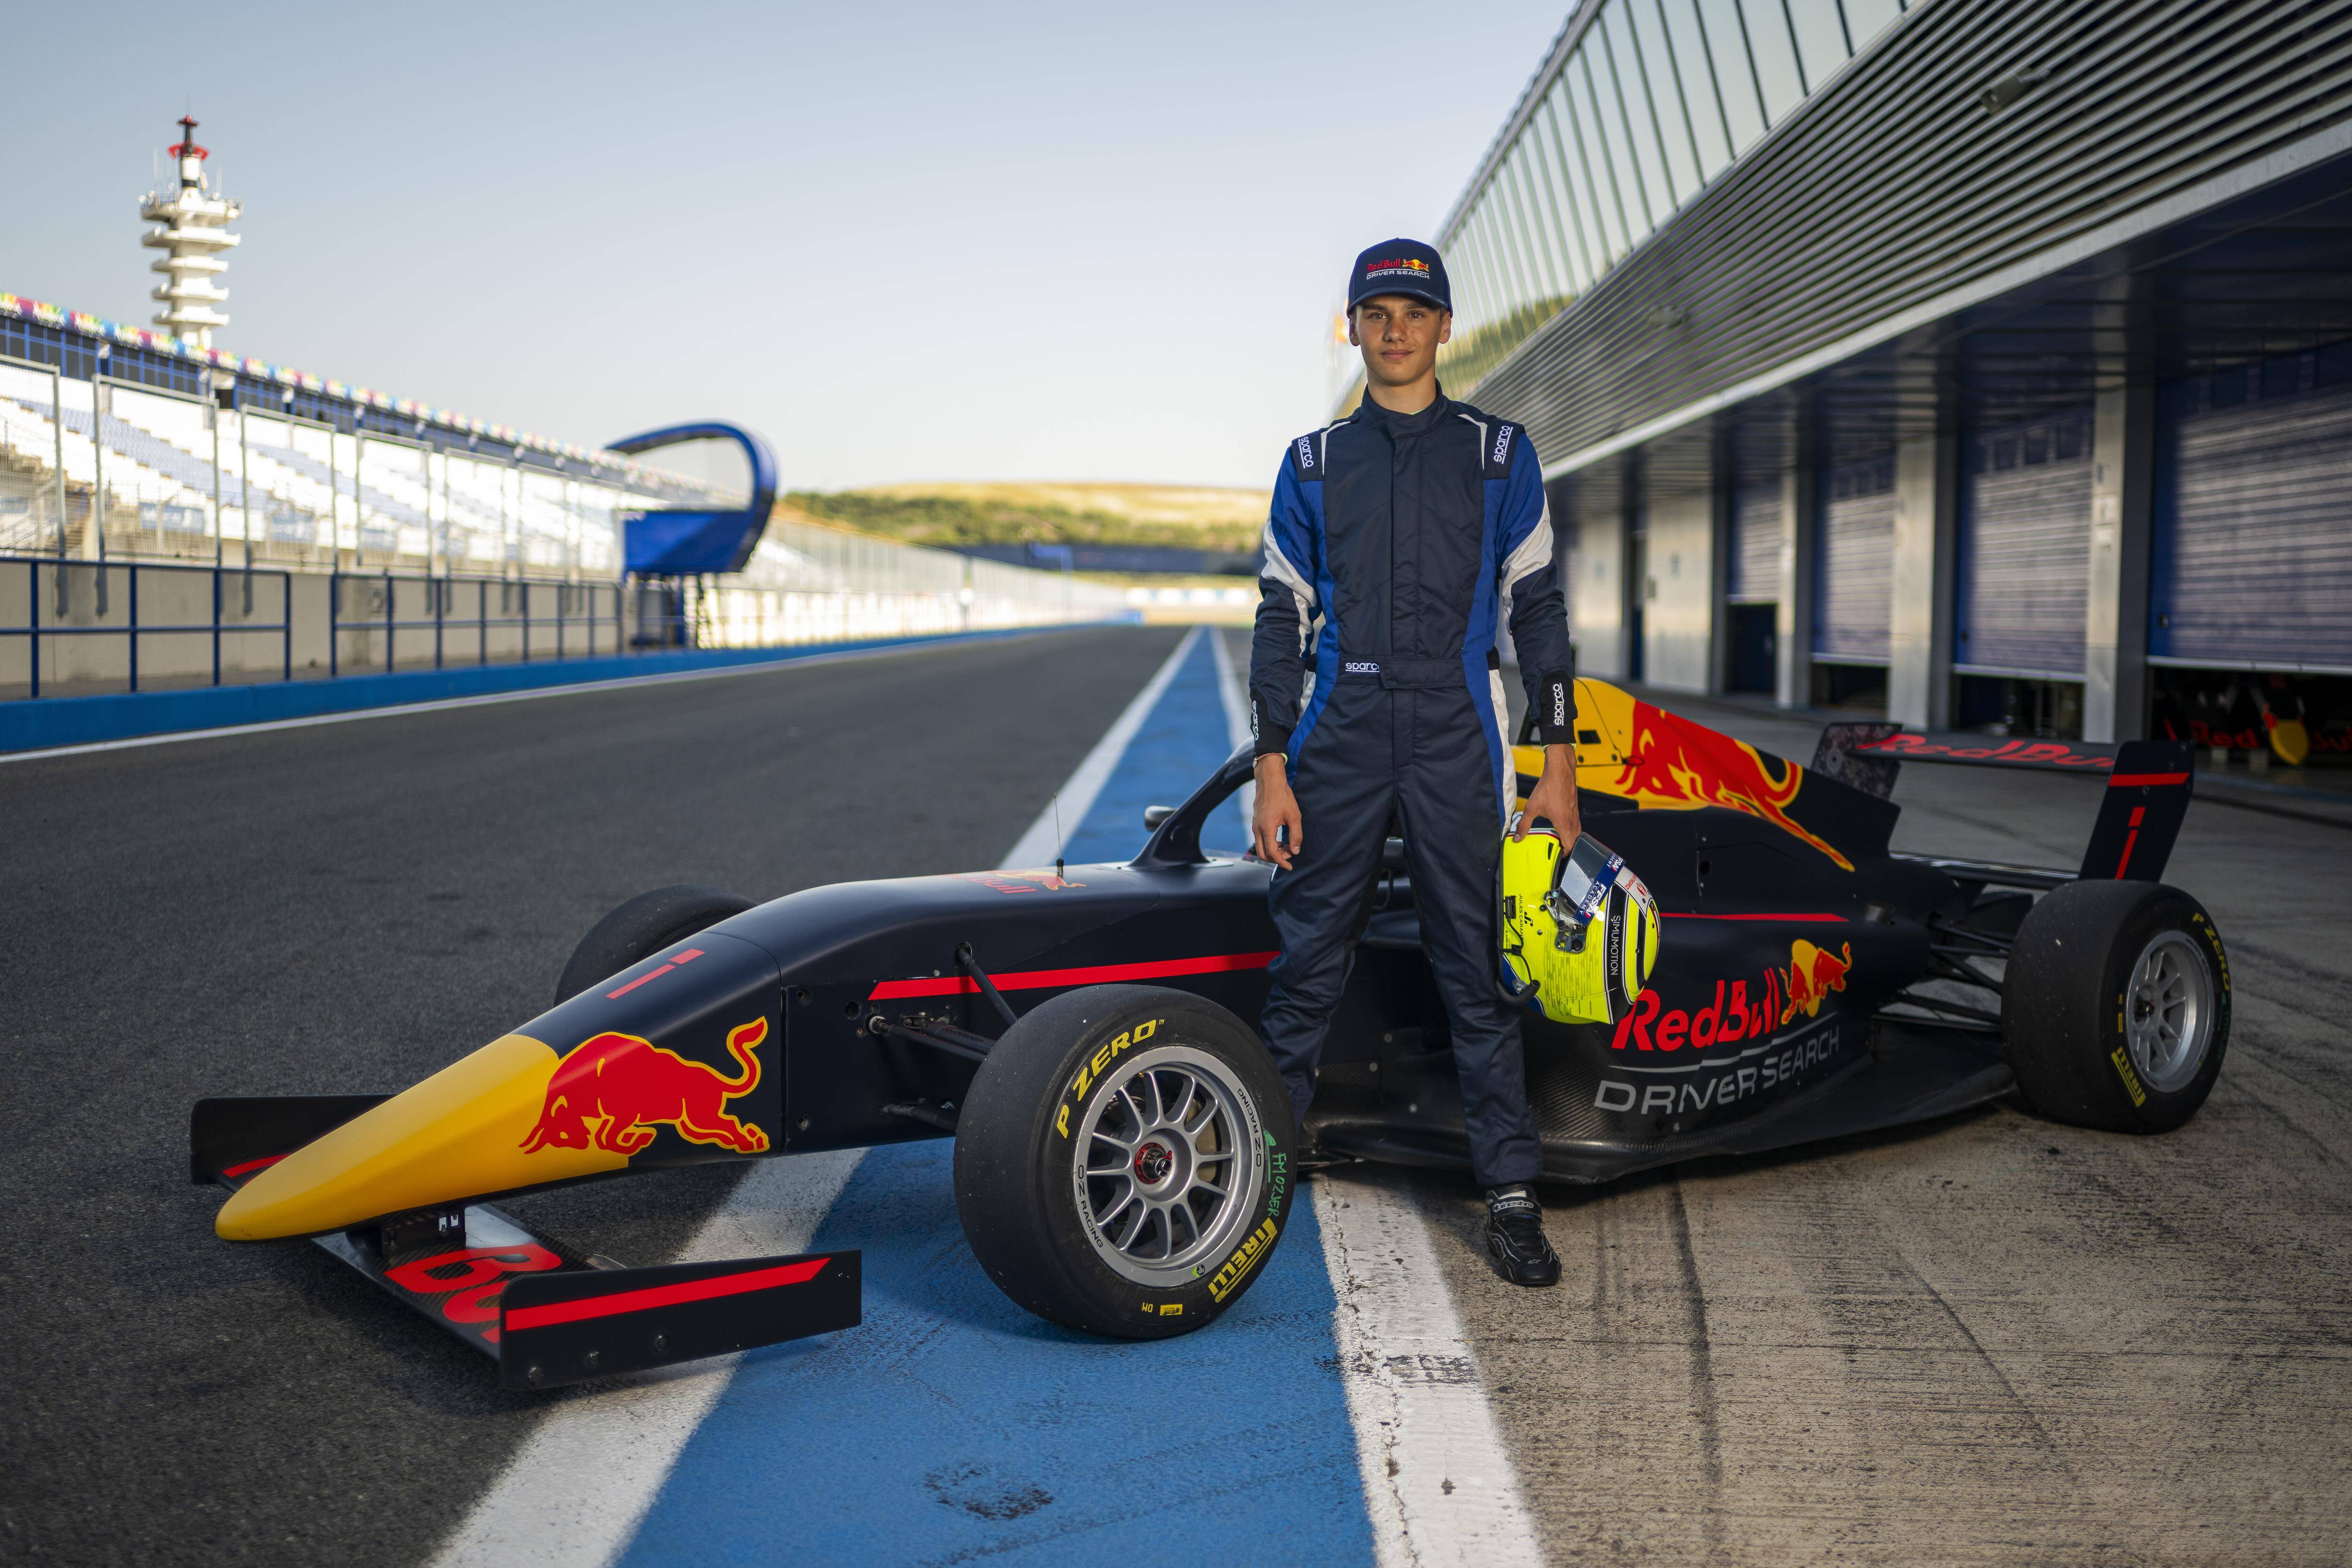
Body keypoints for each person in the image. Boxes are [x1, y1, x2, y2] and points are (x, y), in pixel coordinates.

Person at [1248, 239, 1581, 1287]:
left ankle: (1513, 1194)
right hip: (1339, 726)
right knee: (1305, 962)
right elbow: (1277, 616)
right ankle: (1255, 1180)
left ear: (1445, 327)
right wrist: (1270, 762)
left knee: (1476, 969)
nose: (1394, 332)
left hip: (1457, 727)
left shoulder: (1498, 454)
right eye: (1375, 313)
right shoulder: (1310, 463)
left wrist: (1556, 765)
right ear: (1351, 327)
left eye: (1414, 313)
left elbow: (1539, 614)